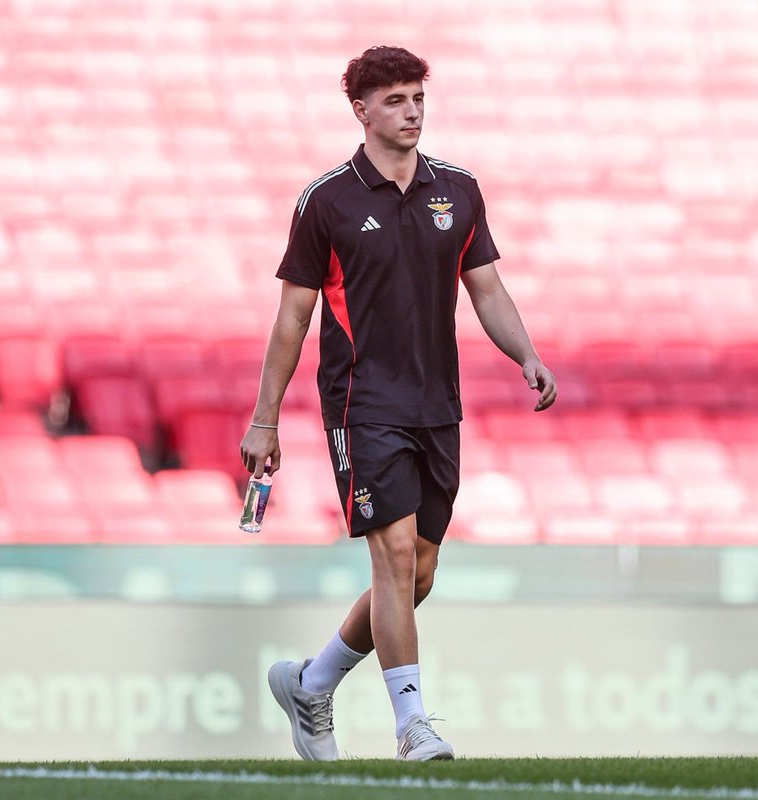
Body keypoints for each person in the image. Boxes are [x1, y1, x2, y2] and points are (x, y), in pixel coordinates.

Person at [239, 45, 557, 762]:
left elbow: (487, 289)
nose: (412, 112)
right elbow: (292, 318)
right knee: (394, 555)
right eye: (395, 100)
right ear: (361, 110)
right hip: (362, 404)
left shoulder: (459, 190)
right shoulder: (327, 202)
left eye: (418, 97)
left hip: (437, 403)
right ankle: (413, 726)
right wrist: (264, 419)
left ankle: (312, 683)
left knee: (418, 575)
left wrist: (527, 354)